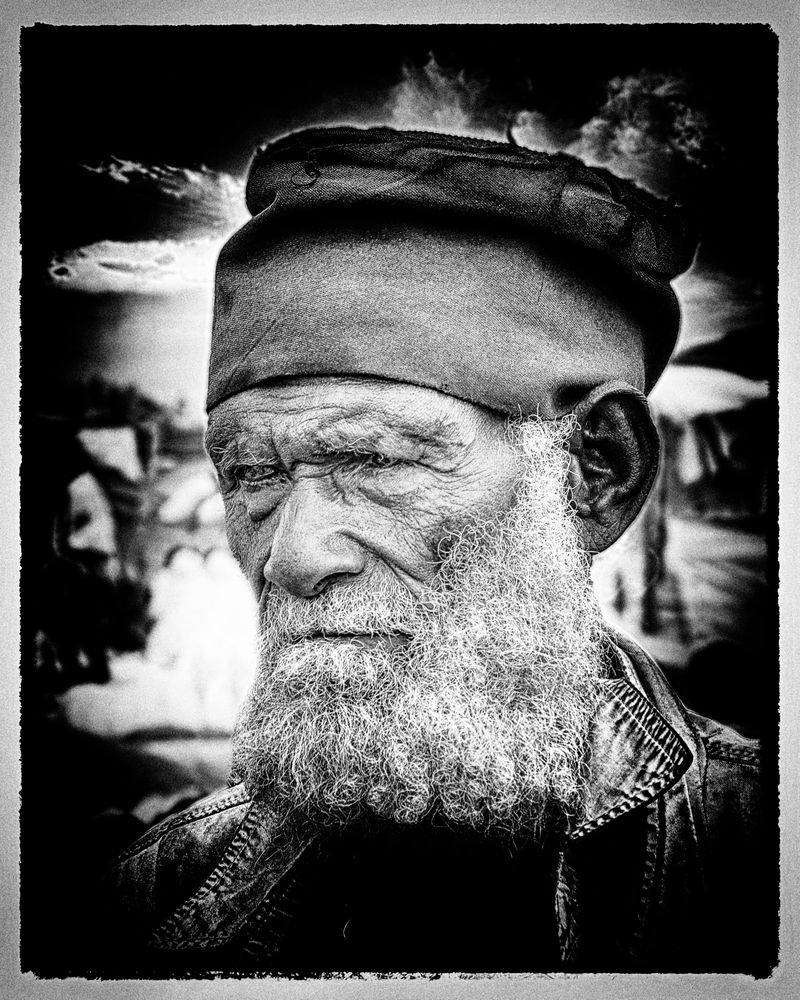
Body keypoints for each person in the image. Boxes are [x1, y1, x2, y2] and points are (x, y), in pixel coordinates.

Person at [103, 127, 773, 974]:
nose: (292, 557)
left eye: (377, 459)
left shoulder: (759, 865)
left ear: (596, 473)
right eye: (252, 475)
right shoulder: (144, 908)